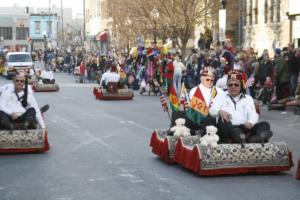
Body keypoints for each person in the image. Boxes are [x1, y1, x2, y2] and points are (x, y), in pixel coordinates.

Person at [209, 70, 273, 143]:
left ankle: (257, 137)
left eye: (236, 85)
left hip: (245, 127)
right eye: (230, 85)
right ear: (227, 85)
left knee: (265, 124)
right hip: (229, 128)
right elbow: (211, 110)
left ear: (241, 85)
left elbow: (253, 115)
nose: (233, 87)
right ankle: (241, 136)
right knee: (223, 121)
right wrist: (219, 112)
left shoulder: (248, 98)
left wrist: (251, 122)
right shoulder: (221, 96)